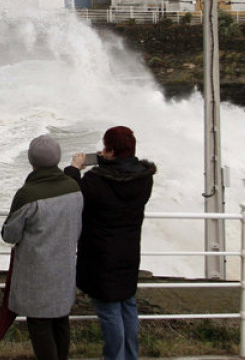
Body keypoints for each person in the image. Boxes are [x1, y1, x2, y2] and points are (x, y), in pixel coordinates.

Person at [64, 126, 156, 360]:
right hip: (128, 253)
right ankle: (131, 355)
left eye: (106, 147)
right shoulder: (144, 179)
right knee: (128, 305)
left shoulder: (96, 181)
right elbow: (119, 182)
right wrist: (109, 161)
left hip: (101, 255)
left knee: (110, 310)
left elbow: (71, 193)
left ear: (111, 150)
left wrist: (74, 169)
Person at [1, 135, 83, 360]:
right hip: (64, 268)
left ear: (31, 161)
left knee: (40, 326)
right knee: (61, 321)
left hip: (37, 274)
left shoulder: (27, 194)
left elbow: (10, 234)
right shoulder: (74, 187)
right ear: (57, 159)